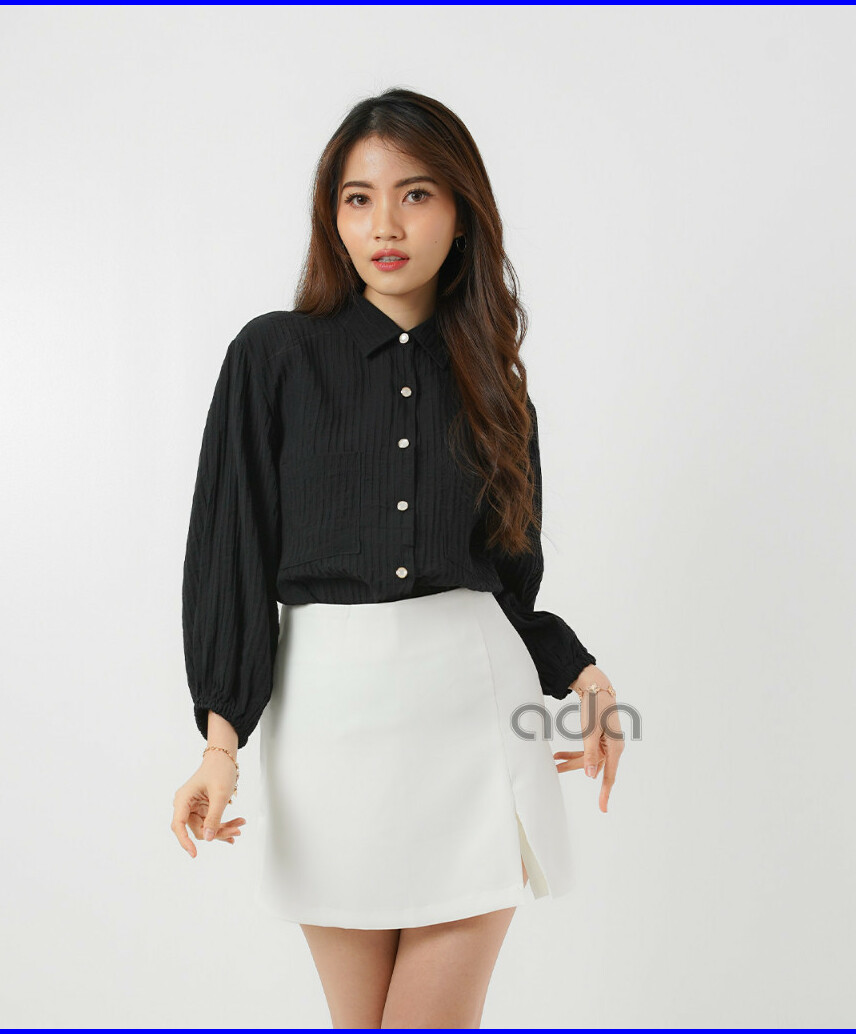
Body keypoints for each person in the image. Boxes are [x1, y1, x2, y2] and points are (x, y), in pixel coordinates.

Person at [170, 87, 625, 1028]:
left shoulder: (498, 387)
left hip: (475, 725)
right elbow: (230, 552)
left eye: (416, 194)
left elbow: (507, 587)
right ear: (331, 216)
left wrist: (579, 672)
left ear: (461, 213)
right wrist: (220, 745)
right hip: (328, 736)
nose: (385, 224)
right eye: (358, 198)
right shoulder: (272, 356)